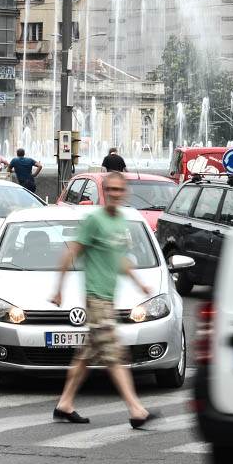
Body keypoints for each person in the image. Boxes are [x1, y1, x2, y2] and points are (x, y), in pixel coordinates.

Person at [51, 171, 155, 428]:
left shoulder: (120, 222)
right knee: (114, 355)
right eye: (110, 190)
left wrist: (139, 282)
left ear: (125, 193)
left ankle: (65, 403)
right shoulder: (94, 220)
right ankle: (136, 409)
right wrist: (59, 288)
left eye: (119, 191)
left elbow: (119, 258)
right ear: (104, 192)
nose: (114, 195)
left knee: (86, 355)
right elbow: (72, 252)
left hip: (108, 299)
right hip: (96, 299)